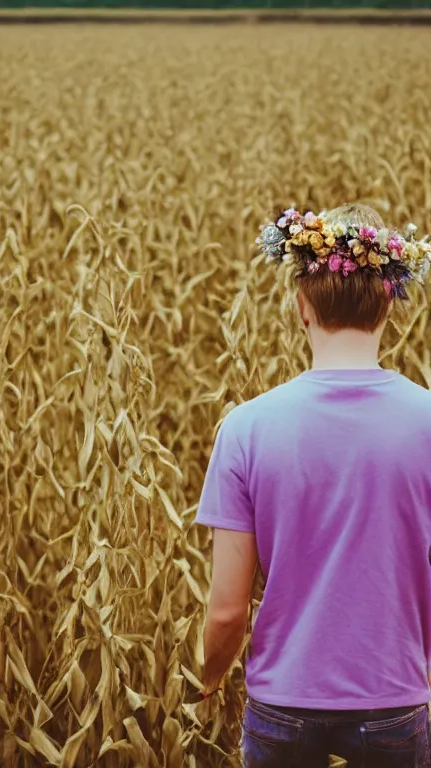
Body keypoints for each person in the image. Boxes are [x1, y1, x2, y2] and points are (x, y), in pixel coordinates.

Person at [193, 203, 431, 767]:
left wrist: (208, 677)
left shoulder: (246, 427)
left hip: (282, 703)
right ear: (391, 306)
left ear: (301, 307)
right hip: (395, 699)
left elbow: (227, 611)